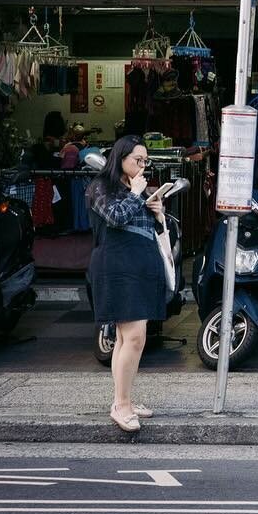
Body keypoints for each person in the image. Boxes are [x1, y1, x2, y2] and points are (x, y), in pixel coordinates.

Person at [86, 135, 168, 432]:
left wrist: (157, 214)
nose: (142, 165)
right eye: (137, 160)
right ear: (120, 159)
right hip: (116, 267)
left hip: (140, 266)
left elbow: (146, 228)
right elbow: (116, 217)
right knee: (133, 337)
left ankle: (126, 401)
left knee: (128, 339)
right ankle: (121, 405)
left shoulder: (136, 190)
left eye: (146, 161)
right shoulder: (100, 187)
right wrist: (135, 194)